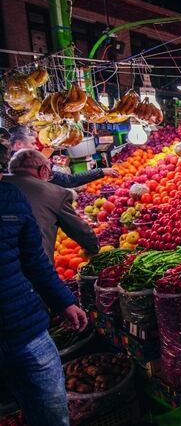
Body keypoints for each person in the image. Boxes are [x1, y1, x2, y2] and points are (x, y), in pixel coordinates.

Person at [0, 141, 87, 426]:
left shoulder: (10, 198)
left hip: (27, 326)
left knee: (51, 412)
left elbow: (34, 259)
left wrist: (64, 301)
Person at [5, 149, 99, 262]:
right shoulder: (53, 192)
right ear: (44, 170)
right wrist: (95, 249)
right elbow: (80, 231)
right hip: (34, 266)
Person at [8, 126, 118, 188]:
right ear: (18, 145)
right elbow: (68, 181)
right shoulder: (32, 166)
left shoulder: (9, 166)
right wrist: (101, 171)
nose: (36, 147)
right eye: (32, 143)